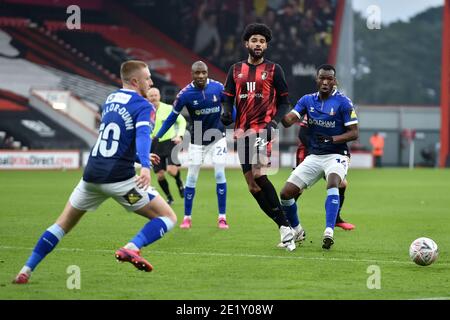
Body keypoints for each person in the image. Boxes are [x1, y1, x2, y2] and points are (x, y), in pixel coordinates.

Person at [13, 60, 177, 284]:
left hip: (91, 177)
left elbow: (116, 138)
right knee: (167, 216)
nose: (151, 82)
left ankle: (26, 270)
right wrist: (145, 168)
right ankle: (132, 247)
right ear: (135, 81)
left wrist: (139, 157)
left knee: (61, 225)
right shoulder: (144, 106)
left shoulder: (110, 100)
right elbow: (141, 136)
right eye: (147, 78)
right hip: (121, 183)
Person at [221, 23, 295, 251]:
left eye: (262, 41)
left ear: (266, 45)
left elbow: (285, 102)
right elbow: (227, 97)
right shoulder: (235, 70)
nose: (258, 44)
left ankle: (286, 229)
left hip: (264, 129)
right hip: (242, 131)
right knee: (253, 187)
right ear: (247, 43)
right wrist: (225, 112)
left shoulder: (274, 70)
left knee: (258, 172)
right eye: (254, 40)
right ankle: (285, 226)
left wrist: (274, 122)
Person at [280, 64, 359, 250]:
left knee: (333, 183)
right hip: (315, 155)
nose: (325, 82)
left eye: (329, 78)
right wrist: (281, 115)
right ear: (317, 80)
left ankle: (329, 232)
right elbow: (289, 119)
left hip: (337, 154)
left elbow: (354, 133)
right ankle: (298, 230)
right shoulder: (307, 100)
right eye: (321, 78)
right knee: (285, 194)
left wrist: (333, 138)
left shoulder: (344, 102)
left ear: (334, 81)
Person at [154, 61, 229, 230]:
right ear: (192, 74)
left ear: (207, 72)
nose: (201, 76)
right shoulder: (184, 94)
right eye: (197, 73)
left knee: (219, 174)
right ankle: (187, 217)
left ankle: (222, 217)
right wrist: (157, 136)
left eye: (203, 72)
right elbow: (171, 118)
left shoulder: (218, 87)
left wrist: (233, 120)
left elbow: (232, 105)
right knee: (191, 178)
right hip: (197, 141)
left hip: (218, 138)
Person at [295, 114, 355, 231]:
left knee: (342, 184)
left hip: (328, 154)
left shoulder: (339, 111)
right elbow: (302, 134)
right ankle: (287, 221)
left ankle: (336, 218)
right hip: (308, 152)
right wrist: (316, 148)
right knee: (297, 188)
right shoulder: (313, 109)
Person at [147, 87, 187, 205]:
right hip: (153, 145)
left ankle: (179, 182)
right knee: (160, 175)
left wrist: (179, 135)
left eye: (155, 95)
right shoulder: (145, 110)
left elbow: (182, 121)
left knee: (171, 170)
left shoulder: (169, 108)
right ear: (147, 97)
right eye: (151, 96)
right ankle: (169, 197)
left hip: (169, 142)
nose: (154, 98)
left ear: (159, 96)